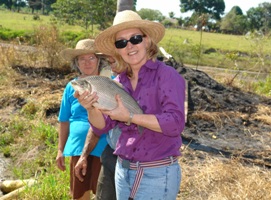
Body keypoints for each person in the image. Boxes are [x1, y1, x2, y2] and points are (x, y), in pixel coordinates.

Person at [75, 10, 186, 200]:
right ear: (117, 49)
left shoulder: (166, 75)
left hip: (156, 174)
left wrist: (131, 117)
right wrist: (91, 108)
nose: (129, 46)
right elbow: (103, 126)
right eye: (121, 42)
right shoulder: (117, 82)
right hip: (123, 170)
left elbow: (175, 123)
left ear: (147, 40)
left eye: (135, 38)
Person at [56, 39, 108, 200]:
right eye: (82, 59)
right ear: (76, 63)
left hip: (104, 147)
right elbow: (64, 120)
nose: (87, 62)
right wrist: (60, 150)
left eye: (91, 58)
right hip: (78, 147)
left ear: (99, 60)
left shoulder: (108, 83)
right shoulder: (71, 86)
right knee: (79, 195)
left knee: (104, 194)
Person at [75, 56, 120, 200]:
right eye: (111, 60)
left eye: (91, 58)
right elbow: (98, 127)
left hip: (128, 159)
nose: (87, 62)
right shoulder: (113, 82)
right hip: (109, 156)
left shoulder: (111, 84)